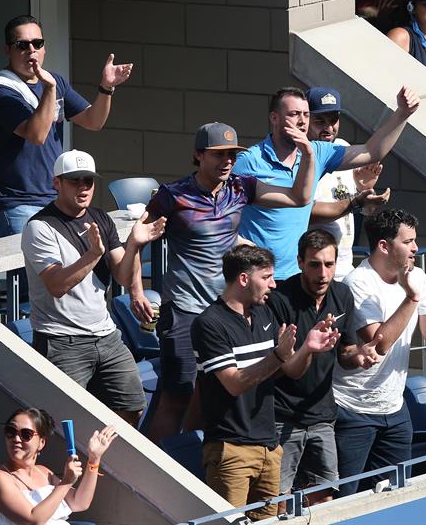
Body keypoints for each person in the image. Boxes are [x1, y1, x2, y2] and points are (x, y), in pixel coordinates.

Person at [134, 121, 317, 444]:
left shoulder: (240, 187)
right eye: (219, 155)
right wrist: (136, 289)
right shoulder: (172, 195)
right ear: (198, 155)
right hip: (185, 312)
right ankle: (156, 467)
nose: (227, 161)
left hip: (223, 311)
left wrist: (307, 152)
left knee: (206, 396)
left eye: (232, 154)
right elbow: (135, 240)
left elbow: (300, 197)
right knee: (178, 395)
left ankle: (187, 464)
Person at [333, 208, 426, 496]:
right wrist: (411, 297)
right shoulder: (357, 283)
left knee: (395, 495)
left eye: (414, 240)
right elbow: (379, 343)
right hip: (353, 411)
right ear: (384, 246)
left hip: (395, 410)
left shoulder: (418, 277)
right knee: (346, 497)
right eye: (408, 241)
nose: (415, 247)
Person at [192, 245, 340, 521]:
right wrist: (277, 355)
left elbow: (288, 370)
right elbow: (234, 384)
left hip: (270, 447)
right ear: (244, 279)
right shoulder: (209, 323)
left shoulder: (263, 314)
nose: (274, 284)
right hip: (231, 450)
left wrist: (307, 348)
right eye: (267, 277)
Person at [22, 150, 166, 426]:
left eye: (87, 180)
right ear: (57, 183)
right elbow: (57, 285)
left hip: (106, 336)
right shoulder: (40, 227)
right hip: (62, 341)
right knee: (64, 422)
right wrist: (92, 254)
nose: (83, 187)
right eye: (74, 180)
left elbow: (123, 276)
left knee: (133, 406)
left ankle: (103, 461)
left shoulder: (101, 218)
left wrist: (135, 245)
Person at [234, 85, 419, 280]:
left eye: (305, 115)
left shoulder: (317, 152)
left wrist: (402, 114)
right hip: (257, 277)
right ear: (274, 118)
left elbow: (371, 151)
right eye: (295, 114)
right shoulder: (249, 161)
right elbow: (220, 210)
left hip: (299, 276)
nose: (302, 121)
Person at [0, 14, 133, 237]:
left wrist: (106, 87)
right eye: (22, 45)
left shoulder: (55, 81)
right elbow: (36, 135)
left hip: (54, 197)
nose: (31, 50)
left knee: (60, 268)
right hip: (16, 202)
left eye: (37, 43)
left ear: (44, 48)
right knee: (31, 271)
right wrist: (50, 89)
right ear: (8, 50)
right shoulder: (0, 91)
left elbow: (93, 121)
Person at [268, 229, 383, 507]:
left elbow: (344, 353)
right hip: (283, 417)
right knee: (277, 501)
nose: (323, 273)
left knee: (325, 497)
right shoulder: (280, 300)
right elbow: (283, 367)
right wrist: (309, 347)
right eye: (314, 264)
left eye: (329, 265)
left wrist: (359, 355)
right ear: (299, 262)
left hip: (323, 415)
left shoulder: (342, 295)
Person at [306, 87, 391, 280]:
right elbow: (306, 212)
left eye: (333, 120)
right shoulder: (301, 156)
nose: (328, 127)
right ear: (305, 119)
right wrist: (356, 201)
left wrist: (364, 189)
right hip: (315, 268)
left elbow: (365, 213)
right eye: (320, 121)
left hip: (345, 265)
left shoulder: (343, 148)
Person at [0, 408, 116, 525]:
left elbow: (79, 502)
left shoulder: (43, 472)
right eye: (11, 431)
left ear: (41, 443)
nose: (16, 439)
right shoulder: (0, 477)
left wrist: (94, 459)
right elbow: (33, 520)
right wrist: (66, 482)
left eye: (26, 434)